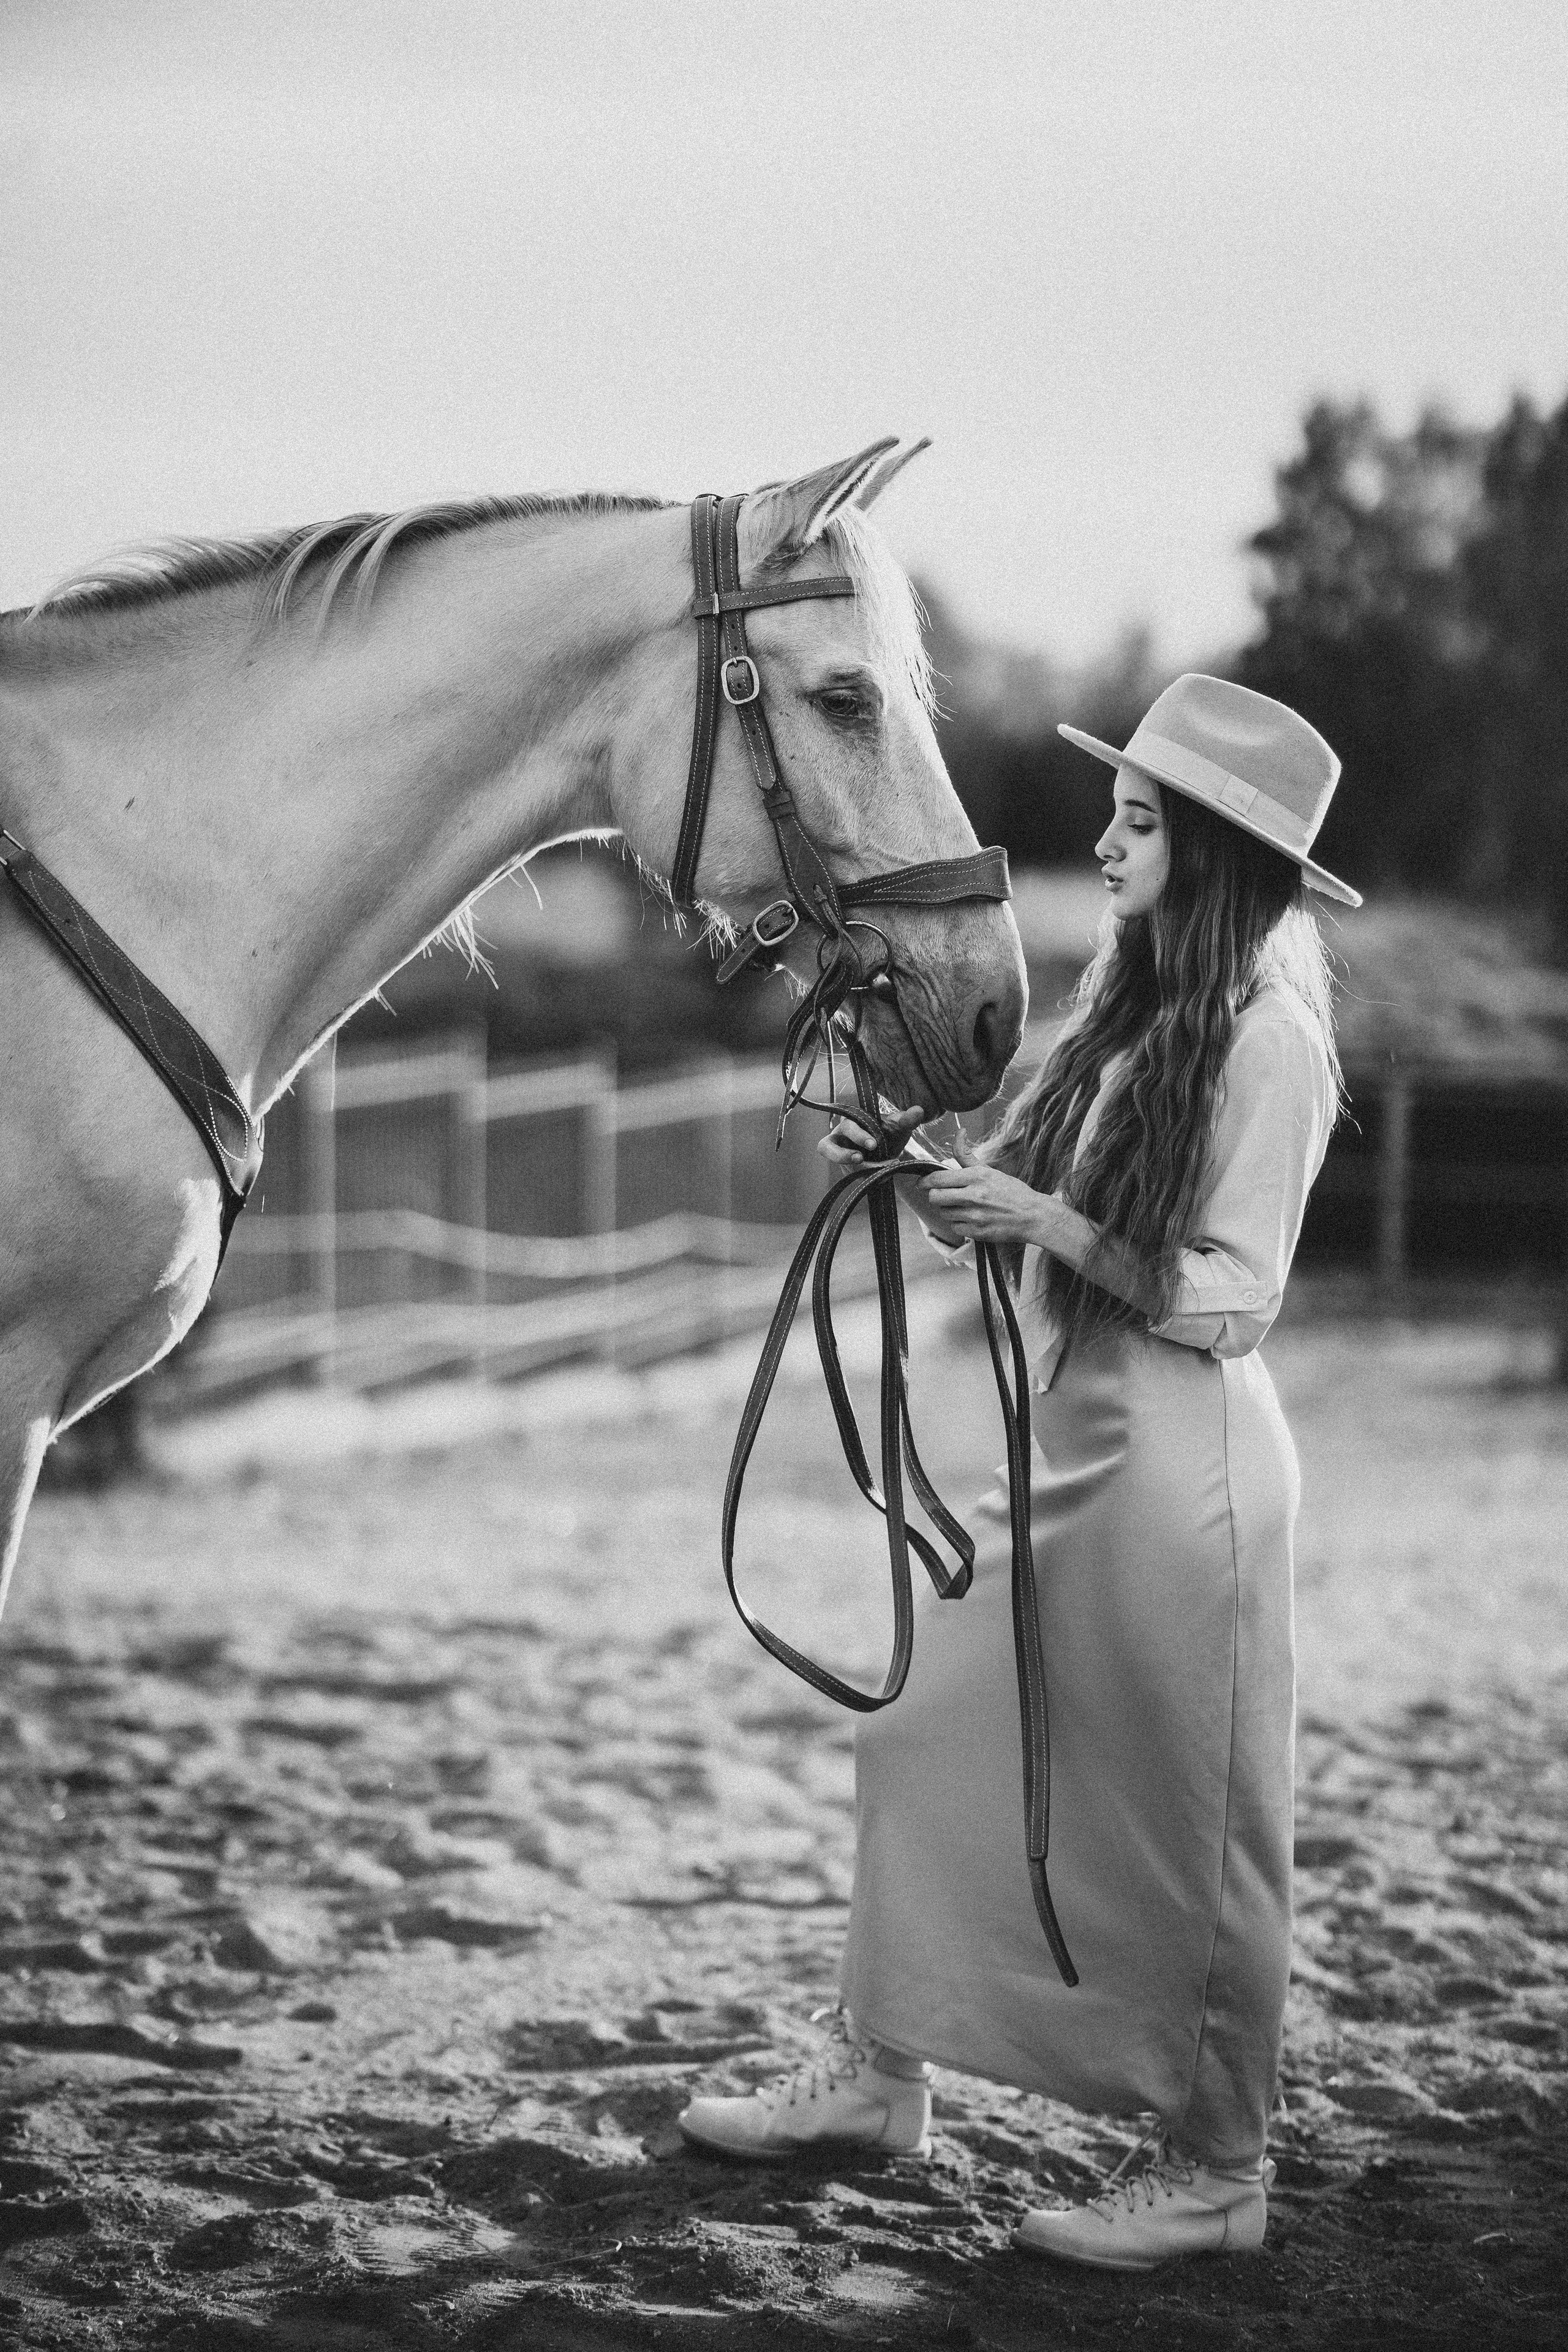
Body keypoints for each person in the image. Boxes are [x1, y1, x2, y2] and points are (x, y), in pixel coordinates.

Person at [677, 674, 1361, 2272]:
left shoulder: (1275, 1041)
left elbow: (1238, 1296)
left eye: (1139, 824)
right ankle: (878, 2071)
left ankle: (1218, 2166)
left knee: (1203, 1828)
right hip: (1075, 1449)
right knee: (923, 1732)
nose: (1107, 848)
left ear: (1213, 849)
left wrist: (1053, 1230)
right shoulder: (1131, 1010)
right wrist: (953, 1189)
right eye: (1116, 819)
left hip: (1186, 1473)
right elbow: (1070, 1215)